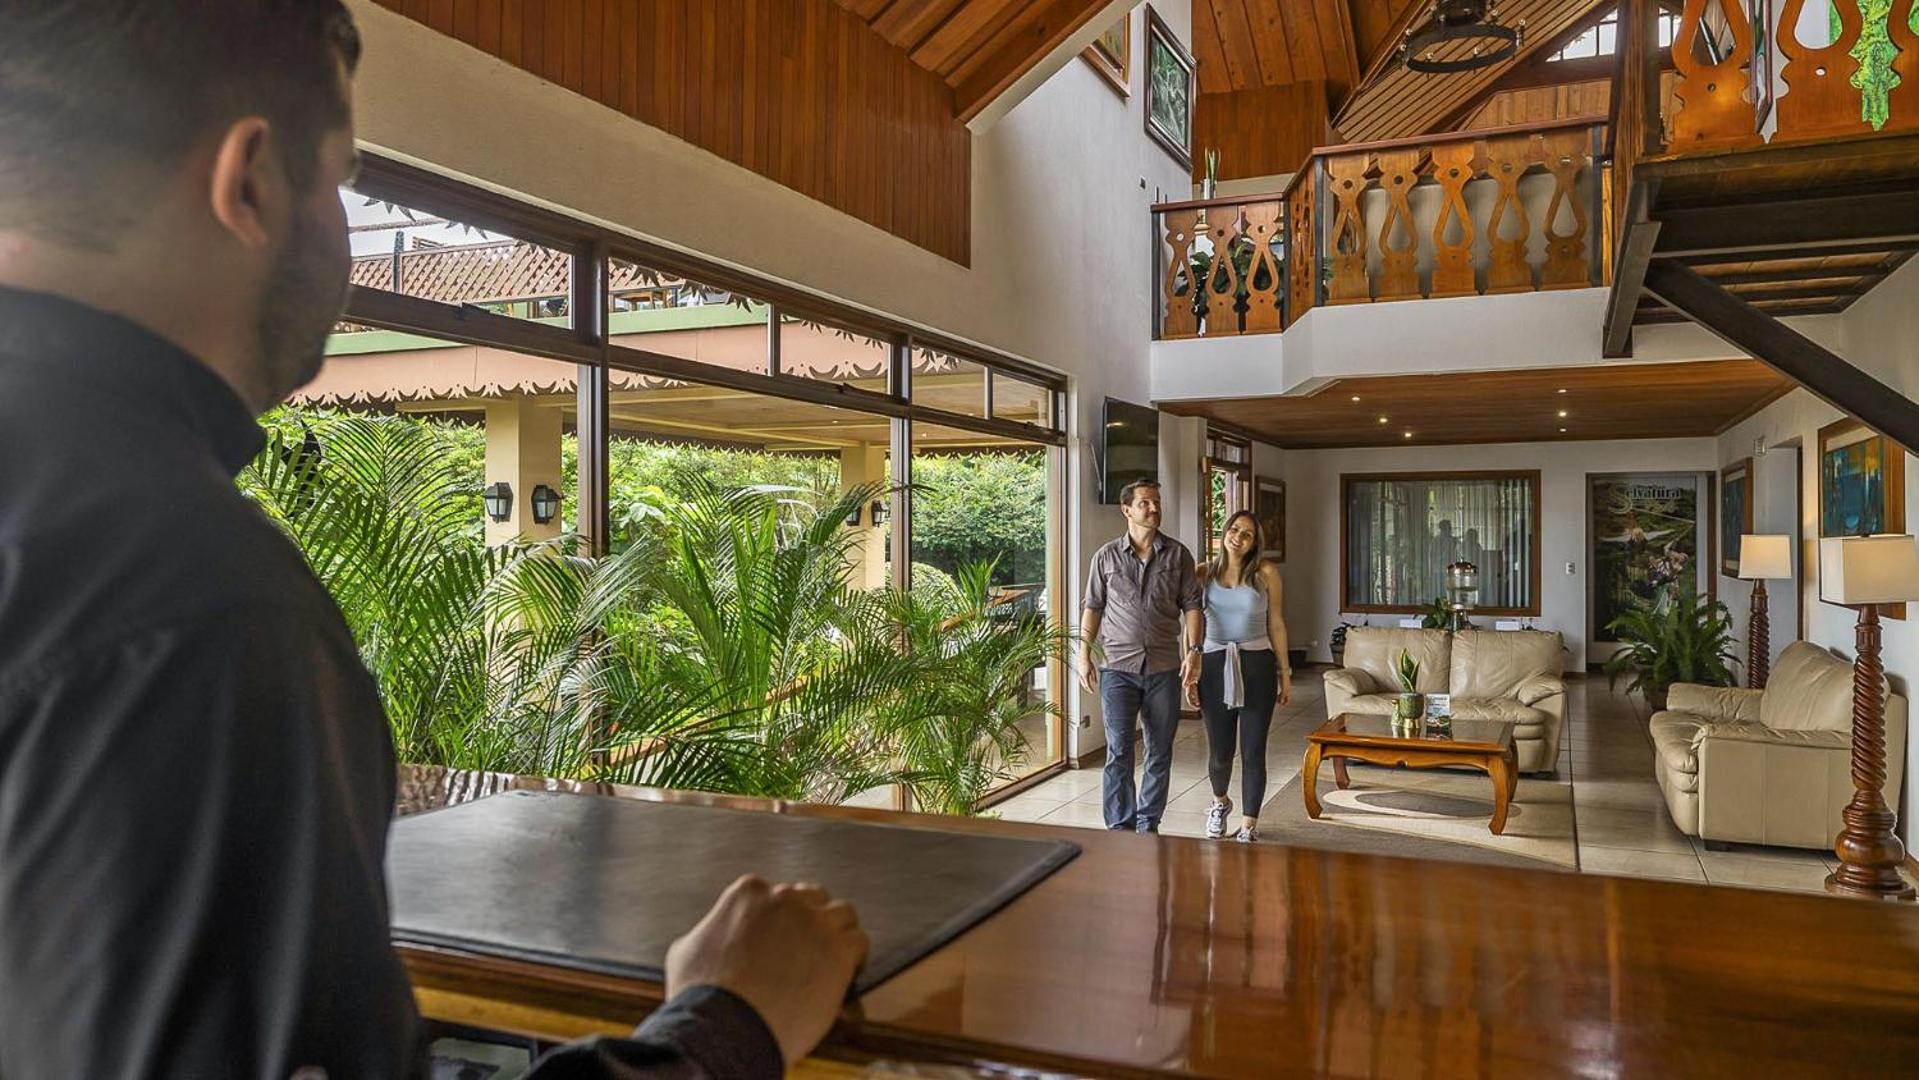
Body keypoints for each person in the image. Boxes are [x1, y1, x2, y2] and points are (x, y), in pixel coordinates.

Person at [0, 3, 864, 1077]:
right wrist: (724, 1028)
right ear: (251, 180)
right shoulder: (190, 603)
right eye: (340, 181)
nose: (341, 232)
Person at [1078, 479, 1203, 834]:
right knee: (1119, 750)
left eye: (1156, 502)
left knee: (1159, 750)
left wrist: (1194, 652)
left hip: (1164, 667)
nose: (1154, 508)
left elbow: (1193, 606)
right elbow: (1093, 606)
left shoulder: (1178, 555)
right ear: (1127, 510)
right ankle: (1120, 826)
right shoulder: (1105, 557)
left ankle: (1148, 824)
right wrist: (1083, 653)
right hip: (1117, 668)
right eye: (1145, 503)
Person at [1186, 511, 1293, 843]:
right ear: (1224, 532)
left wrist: (1285, 673)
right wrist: (1191, 667)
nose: (1238, 538)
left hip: (1257, 664)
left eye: (1247, 534)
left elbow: (1276, 623)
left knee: (1253, 749)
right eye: (1234, 530)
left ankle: (1249, 824)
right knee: (1220, 751)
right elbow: (1191, 624)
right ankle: (1220, 803)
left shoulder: (1266, 573)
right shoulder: (1202, 573)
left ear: (1254, 543)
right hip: (1214, 665)